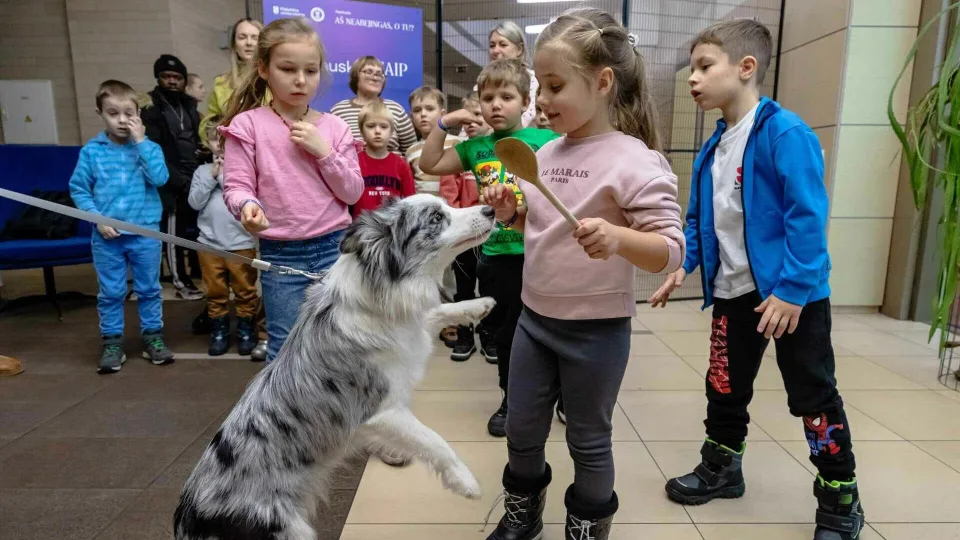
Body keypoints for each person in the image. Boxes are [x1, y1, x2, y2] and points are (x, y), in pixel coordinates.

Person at [648, 19, 864, 540]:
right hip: (734, 293)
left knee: (813, 395)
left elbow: (807, 217)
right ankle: (723, 467)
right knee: (724, 385)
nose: (693, 78)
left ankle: (840, 494)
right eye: (692, 69)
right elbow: (702, 219)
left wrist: (792, 290)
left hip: (792, 297)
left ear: (746, 68)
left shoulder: (784, 133)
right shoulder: (714, 146)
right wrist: (684, 264)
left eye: (705, 66)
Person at [480, 10, 685, 540]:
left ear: (602, 82)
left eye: (555, 86)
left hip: (597, 331)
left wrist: (618, 238)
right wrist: (510, 212)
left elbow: (669, 251)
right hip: (534, 321)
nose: (542, 99)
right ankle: (523, 516)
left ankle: (587, 528)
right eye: (540, 87)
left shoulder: (636, 161)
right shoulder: (545, 153)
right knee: (522, 427)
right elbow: (541, 226)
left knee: (589, 440)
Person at [419, 58, 559, 438]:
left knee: (549, 331)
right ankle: (510, 400)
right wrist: (445, 123)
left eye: (507, 97)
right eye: (488, 98)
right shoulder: (475, 147)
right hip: (496, 257)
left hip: (539, 253)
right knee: (506, 334)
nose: (496, 105)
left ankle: (559, 393)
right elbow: (430, 163)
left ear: (525, 101)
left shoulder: (546, 142)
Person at [220, 17, 363, 364]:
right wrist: (246, 205)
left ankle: (333, 402)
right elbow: (237, 185)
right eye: (287, 69)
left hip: (335, 249)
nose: (300, 80)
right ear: (263, 69)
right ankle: (283, 404)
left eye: (310, 71)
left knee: (341, 344)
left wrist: (324, 152)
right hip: (280, 253)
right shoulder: (248, 125)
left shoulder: (335, 128)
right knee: (285, 348)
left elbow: (352, 192)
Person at [69, 80, 176, 374]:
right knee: (111, 292)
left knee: (149, 289)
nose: (121, 120)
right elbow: (79, 190)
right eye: (113, 113)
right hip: (107, 237)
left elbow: (160, 178)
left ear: (138, 114)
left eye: (128, 113)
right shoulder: (92, 152)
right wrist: (97, 218)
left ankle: (153, 337)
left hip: (145, 234)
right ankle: (112, 343)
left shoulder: (149, 147)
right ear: (100, 114)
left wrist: (141, 143)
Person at [188, 119, 265, 357]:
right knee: (215, 292)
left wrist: (224, 177)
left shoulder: (246, 172)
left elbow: (242, 199)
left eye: (226, 141)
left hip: (241, 244)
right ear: (207, 143)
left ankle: (246, 331)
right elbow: (194, 203)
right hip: (209, 244)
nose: (220, 146)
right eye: (215, 140)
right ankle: (219, 332)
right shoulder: (202, 172)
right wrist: (212, 176)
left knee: (245, 290)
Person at [142, 54, 204, 301]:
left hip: (196, 176)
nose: (171, 81)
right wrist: (177, 179)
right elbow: (154, 150)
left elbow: (193, 137)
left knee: (197, 231)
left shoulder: (189, 105)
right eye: (166, 76)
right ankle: (180, 281)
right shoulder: (150, 108)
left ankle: (199, 274)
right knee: (174, 234)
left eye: (177, 77)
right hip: (170, 181)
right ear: (158, 78)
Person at [405, 85, 463, 348]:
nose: (423, 115)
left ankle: (449, 319)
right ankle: (423, 318)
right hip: (424, 223)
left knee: (449, 269)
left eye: (429, 109)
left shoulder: (456, 144)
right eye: (417, 110)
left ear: (442, 113)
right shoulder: (411, 151)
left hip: (451, 217)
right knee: (423, 269)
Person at [442, 91, 486, 361]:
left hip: (492, 235)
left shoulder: (497, 151)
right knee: (464, 287)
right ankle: (465, 334)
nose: (471, 122)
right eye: (466, 118)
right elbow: (449, 193)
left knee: (490, 285)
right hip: (465, 235)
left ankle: (489, 333)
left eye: (477, 115)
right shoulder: (458, 154)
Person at [330, 56, 417, 155]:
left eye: (379, 74)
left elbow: (413, 151)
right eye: (369, 72)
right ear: (356, 76)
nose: (375, 77)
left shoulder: (396, 109)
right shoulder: (338, 111)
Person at [200, 18, 264, 146]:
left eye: (255, 38)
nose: (249, 43)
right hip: (233, 148)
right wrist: (212, 134)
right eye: (242, 37)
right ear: (234, 45)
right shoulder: (222, 82)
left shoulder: (275, 78)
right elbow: (208, 121)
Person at [353, 101, 415, 218]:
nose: (377, 131)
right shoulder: (354, 163)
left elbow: (410, 202)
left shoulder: (401, 165)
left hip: (391, 226)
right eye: (371, 126)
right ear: (361, 131)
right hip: (360, 226)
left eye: (384, 126)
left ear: (391, 132)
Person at [483, 21, 539, 128]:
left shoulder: (534, 79)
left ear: (520, 49)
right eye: (492, 45)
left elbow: (529, 117)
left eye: (503, 45)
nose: (495, 50)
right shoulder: (484, 82)